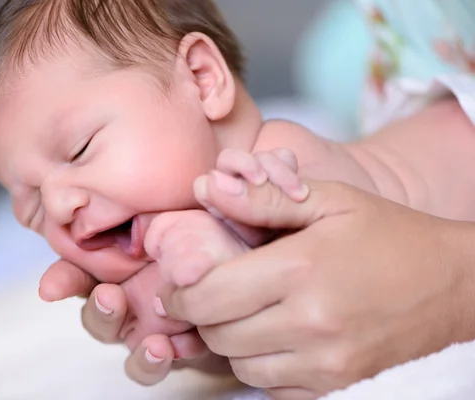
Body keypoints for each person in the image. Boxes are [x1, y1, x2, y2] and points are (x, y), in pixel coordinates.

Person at [29, 0, 475, 398]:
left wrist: (212, 240)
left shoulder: (278, 156)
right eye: (29, 202)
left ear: (203, 81)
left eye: (79, 148)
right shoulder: (352, 51)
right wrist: (221, 336)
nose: (56, 204)